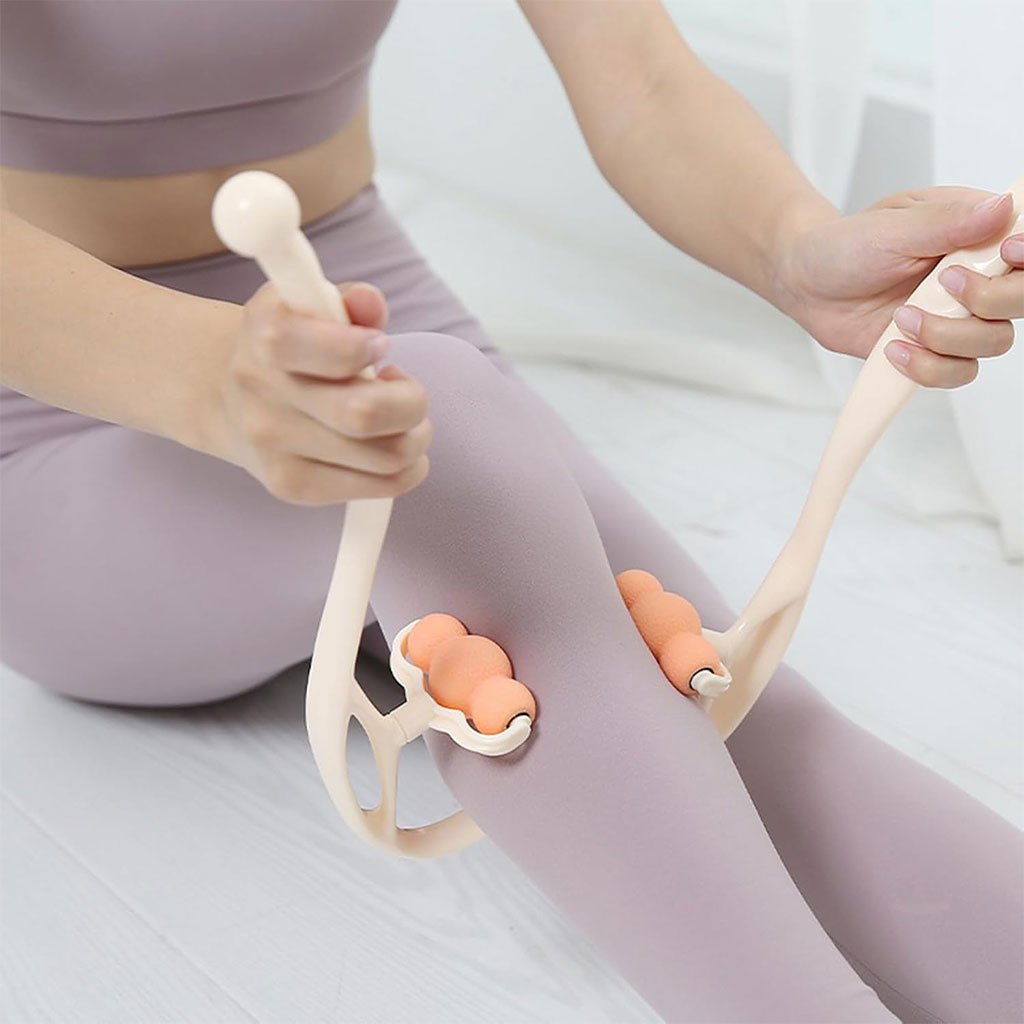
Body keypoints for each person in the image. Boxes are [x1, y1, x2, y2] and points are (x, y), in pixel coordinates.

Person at [2, 2, 1021, 1021]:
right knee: (462, 458)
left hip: (372, 325)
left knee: (710, 688)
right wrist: (212, 379)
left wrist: (796, 245)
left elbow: (645, 79)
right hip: (62, 408)